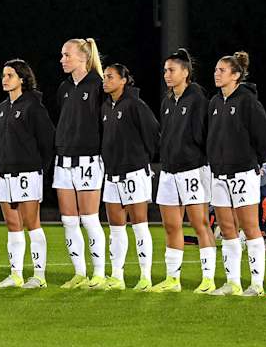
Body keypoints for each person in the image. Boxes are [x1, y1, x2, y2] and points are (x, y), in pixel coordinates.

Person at [206, 51, 266, 297]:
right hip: (219, 174)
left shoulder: (247, 101)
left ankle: (256, 284)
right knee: (226, 228)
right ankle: (232, 282)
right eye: (215, 70)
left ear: (236, 75)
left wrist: (254, 160)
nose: (216, 74)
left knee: (250, 227)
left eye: (221, 70)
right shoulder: (214, 102)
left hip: (243, 172)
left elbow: (263, 134)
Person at [152, 49, 215, 293]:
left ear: (185, 72)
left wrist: (196, 157)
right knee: (171, 226)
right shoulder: (168, 101)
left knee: (200, 224)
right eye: (165, 70)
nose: (167, 74)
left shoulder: (197, 98)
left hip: (193, 170)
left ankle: (208, 279)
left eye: (171, 70)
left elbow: (204, 134)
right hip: (169, 172)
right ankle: (173, 280)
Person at [0, 60, 54, 288]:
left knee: (31, 223)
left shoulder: (33, 106)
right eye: (3, 75)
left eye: (10, 75)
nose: (5, 79)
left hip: (27, 173)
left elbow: (47, 142)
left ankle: (39, 276)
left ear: (22, 79)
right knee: (12, 224)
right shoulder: (1, 109)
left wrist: (40, 171)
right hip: (5, 175)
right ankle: (15, 274)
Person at [53, 38, 107, 289]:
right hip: (63, 160)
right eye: (62, 55)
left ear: (83, 57)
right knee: (69, 220)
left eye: (67, 55)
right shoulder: (64, 88)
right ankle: (79, 273)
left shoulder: (98, 84)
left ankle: (98, 273)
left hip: (88, 159)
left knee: (89, 218)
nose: (62, 59)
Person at [99, 64, 159, 291]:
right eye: (104, 76)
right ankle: (117, 276)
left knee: (139, 225)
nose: (105, 80)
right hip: (112, 174)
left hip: (134, 171)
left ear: (123, 80)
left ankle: (145, 277)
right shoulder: (106, 107)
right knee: (115, 227)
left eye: (110, 76)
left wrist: (140, 157)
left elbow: (153, 133)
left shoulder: (135, 104)